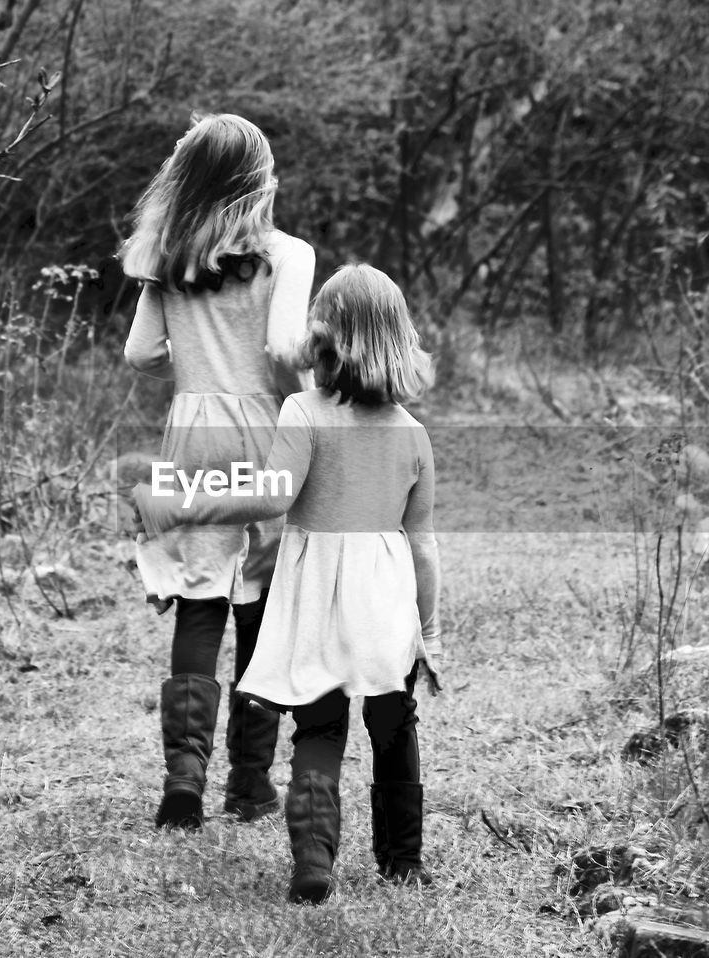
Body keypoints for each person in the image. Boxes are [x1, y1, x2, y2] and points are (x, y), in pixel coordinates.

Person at [134, 264, 443, 904]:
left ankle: (313, 862)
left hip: (315, 602)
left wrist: (178, 500)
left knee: (320, 730)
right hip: (384, 605)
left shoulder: (303, 411)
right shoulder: (414, 436)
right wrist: (429, 629)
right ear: (400, 339)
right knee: (395, 729)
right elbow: (423, 545)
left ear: (321, 340)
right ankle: (402, 861)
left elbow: (266, 497)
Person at [121, 112, 315, 830]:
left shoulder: (168, 260)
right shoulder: (288, 255)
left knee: (199, 598)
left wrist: (193, 356)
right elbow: (287, 349)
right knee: (262, 599)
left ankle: (184, 774)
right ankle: (250, 784)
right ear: (258, 181)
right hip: (266, 434)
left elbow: (140, 354)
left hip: (190, 436)